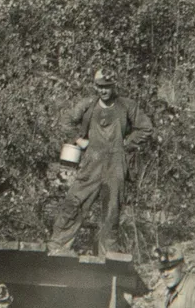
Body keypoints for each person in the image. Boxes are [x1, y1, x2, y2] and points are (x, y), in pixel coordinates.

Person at [49, 67, 153, 257]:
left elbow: (145, 128)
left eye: (107, 87)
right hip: (92, 162)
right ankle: (58, 249)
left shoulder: (126, 106)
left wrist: (126, 143)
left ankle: (108, 257)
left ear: (114, 86)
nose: (103, 91)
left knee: (111, 212)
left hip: (116, 164)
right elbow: (66, 120)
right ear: (95, 86)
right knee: (75, 202)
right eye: (99, 87)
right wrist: (79, 140)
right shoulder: (88, 105)